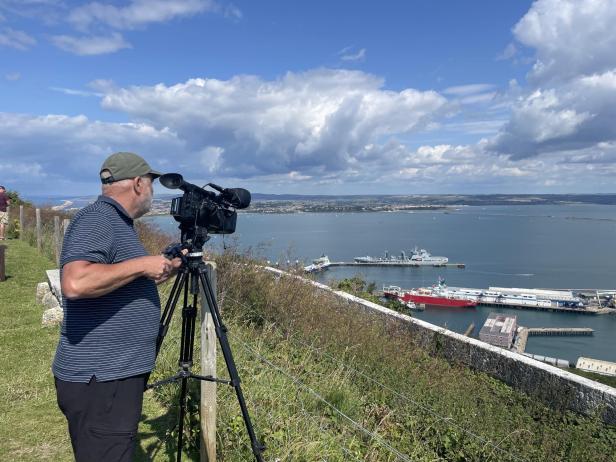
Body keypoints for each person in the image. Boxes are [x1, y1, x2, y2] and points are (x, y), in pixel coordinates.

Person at [52, 152, 182, 461]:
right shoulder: (99, 218)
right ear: (138, 183)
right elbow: (76, 283)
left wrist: (163, 267)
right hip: (101, 380)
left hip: (109, 377)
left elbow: (114, 282)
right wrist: (140, 265)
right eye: (151, 184)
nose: (152, 192)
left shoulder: (116, 222)